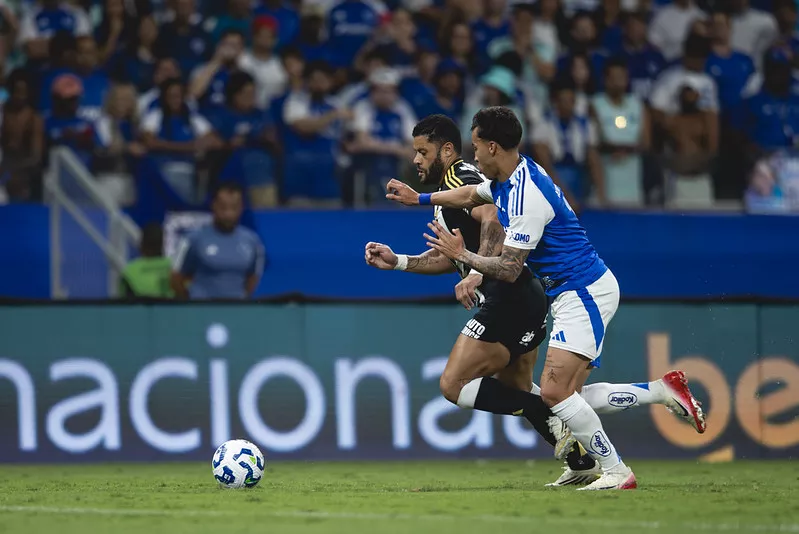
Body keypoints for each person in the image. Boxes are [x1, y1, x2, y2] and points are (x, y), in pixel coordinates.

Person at [386, 107, 706, 490]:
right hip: (572, 290)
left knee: (552, 392)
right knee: (570, 395)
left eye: (476, 148)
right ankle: (660, 391)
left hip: (581, 289)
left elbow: (507, 268)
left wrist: (465, 259)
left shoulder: (526, 199)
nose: (473, 156)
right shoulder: (509, 177)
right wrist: (417, 199)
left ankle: (617, 471)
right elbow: (472, 194)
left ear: (492, 147)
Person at [365, 114, 599, 486]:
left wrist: (476, 272)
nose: (416, 160)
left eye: (422, 152)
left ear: (446, 150)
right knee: (519, 391)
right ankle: (581, 460)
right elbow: (449, 258)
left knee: (453, 385)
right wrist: (401, 262)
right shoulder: (445, 193)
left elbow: (492, 216)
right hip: (524, 297)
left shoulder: (462, 175)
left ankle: (561, 421)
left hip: (507, 296)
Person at [171, 182, 265, 299]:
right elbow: (176, 277)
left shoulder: (252, 241)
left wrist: (241, 299)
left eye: (234, 208)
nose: (228, 214)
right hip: (201, 310)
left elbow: (253, 275)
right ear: (213, 205)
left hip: (236, 310)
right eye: (223, 207)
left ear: (241, 208)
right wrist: (191, 305)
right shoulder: (192, 239)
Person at [119, 223, 173, 298]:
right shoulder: (176, 269)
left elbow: (124, 304)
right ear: (163, 244)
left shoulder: (130, 271)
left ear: (141, 244)